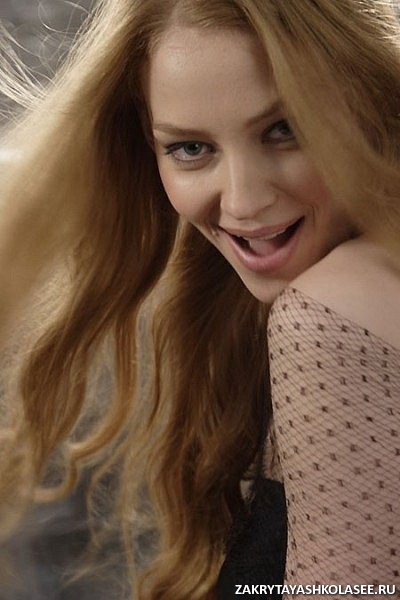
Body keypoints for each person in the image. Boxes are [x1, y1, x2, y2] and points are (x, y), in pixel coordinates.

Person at [0, 0, 399, 598]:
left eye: (286, 129)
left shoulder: (332, 313)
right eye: (190, 149)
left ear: (371, 105)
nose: (242, 201)